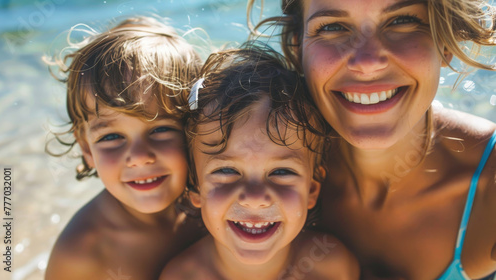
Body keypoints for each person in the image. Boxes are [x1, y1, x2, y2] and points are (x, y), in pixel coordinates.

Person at [247, 0, 496, 279]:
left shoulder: (489, 182)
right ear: (297, 49)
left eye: (402, 21)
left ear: (446, 41)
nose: (367, 62)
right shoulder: (245, 171)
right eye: (332, 27)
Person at [160, 42, 359, 280]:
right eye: (226, 170)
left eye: (282, 172)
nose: (254, 199)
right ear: (195, 189)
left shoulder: (331, 266)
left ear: (312, 189)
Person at [44, 16, 206, 280]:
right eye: (111, 137)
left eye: (160, 129)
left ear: (196, 129)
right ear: (86, 146)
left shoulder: (213, 205)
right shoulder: (82, 253)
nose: (139, 158)